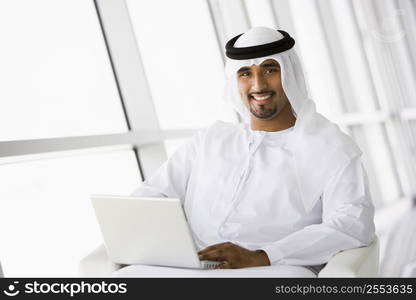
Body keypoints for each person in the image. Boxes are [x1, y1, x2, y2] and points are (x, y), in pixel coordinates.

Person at [121, 27, 375, 277]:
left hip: (273, 270)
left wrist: (264, 256)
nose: (258, 84)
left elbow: (352, 224)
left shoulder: (332, 147)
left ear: (291, 74)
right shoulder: (210, 140)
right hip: (193, 265)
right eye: (245, 73)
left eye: (270, 69)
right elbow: (152, 194)